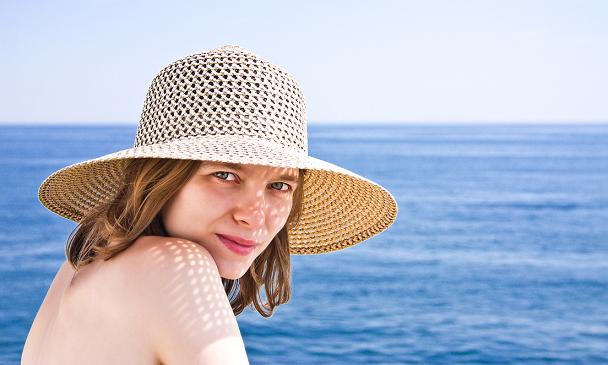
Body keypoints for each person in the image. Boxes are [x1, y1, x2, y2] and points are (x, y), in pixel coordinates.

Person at [21, 44, 398, 364]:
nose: (254, 216)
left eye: (280, 185)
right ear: (160, 178)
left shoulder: (80, 263)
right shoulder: (175, 266)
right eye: (225, 176)